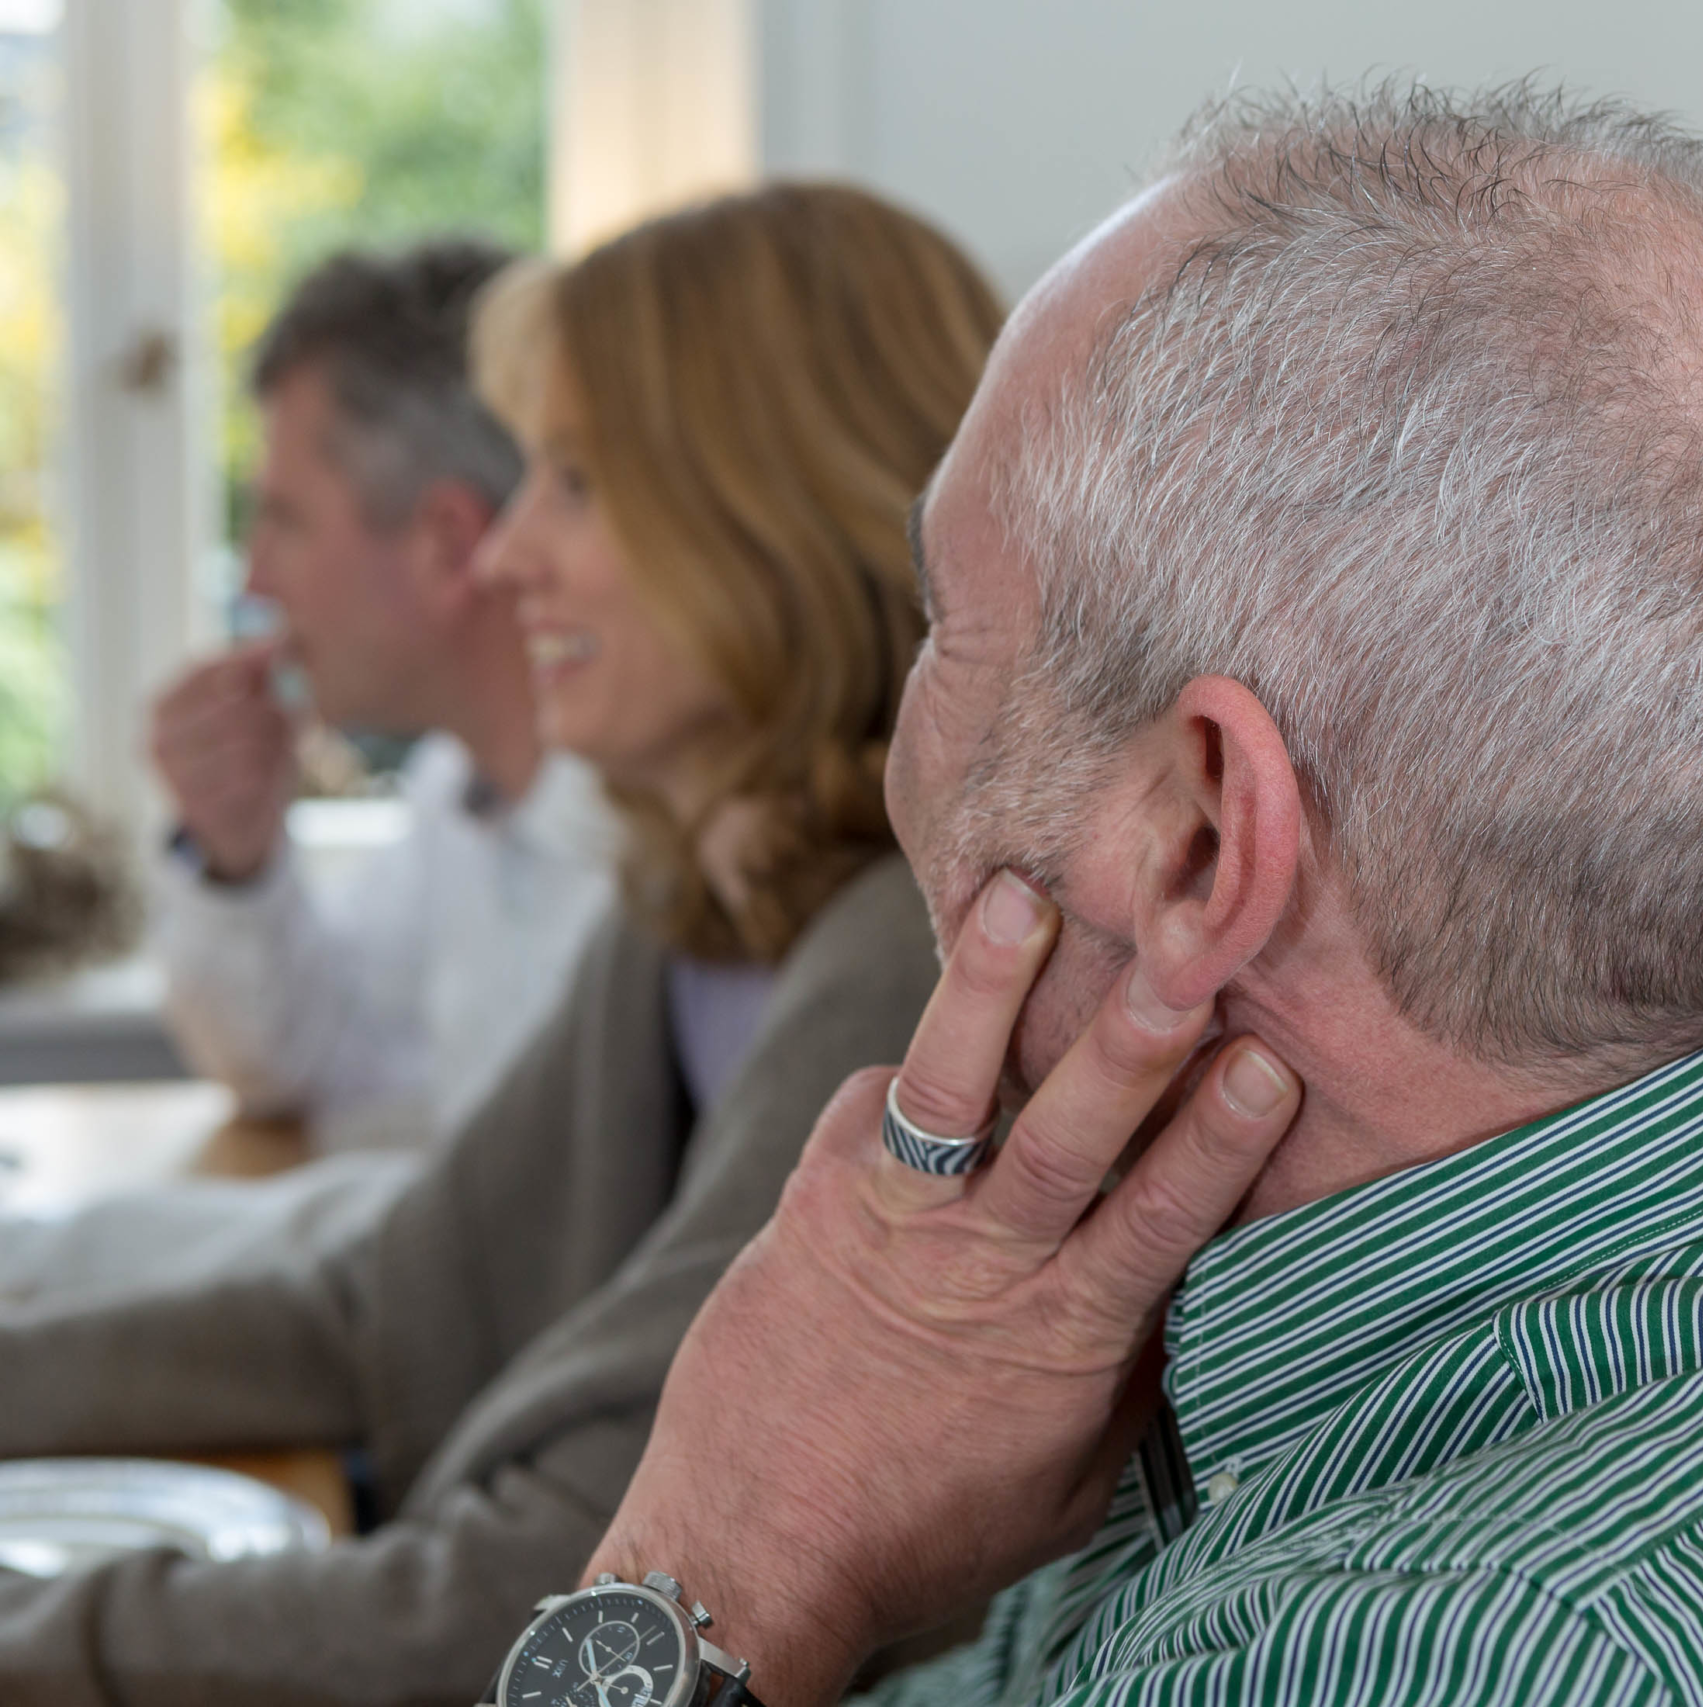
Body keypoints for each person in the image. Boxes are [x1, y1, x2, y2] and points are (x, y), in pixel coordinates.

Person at [561, 87, 1703, 1707]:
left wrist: (727, 1553)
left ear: (1204, 846)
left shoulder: (1435, 1652)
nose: (899, 729)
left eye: (946, 625)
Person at [0, 182, 1005, 1707]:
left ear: (771, 508)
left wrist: (52, 1640)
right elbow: (390, 1302)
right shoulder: (695, 909)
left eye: (580, 483)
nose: (512, 550)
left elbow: (568, 1586)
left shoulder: (904, 958)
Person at [150, 240, 615, 1156]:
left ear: (447, 544)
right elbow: (290, 1058)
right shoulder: (462, 791)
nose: (255, 579)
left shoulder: (637, 861)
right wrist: (235, 857)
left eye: (283, 520)